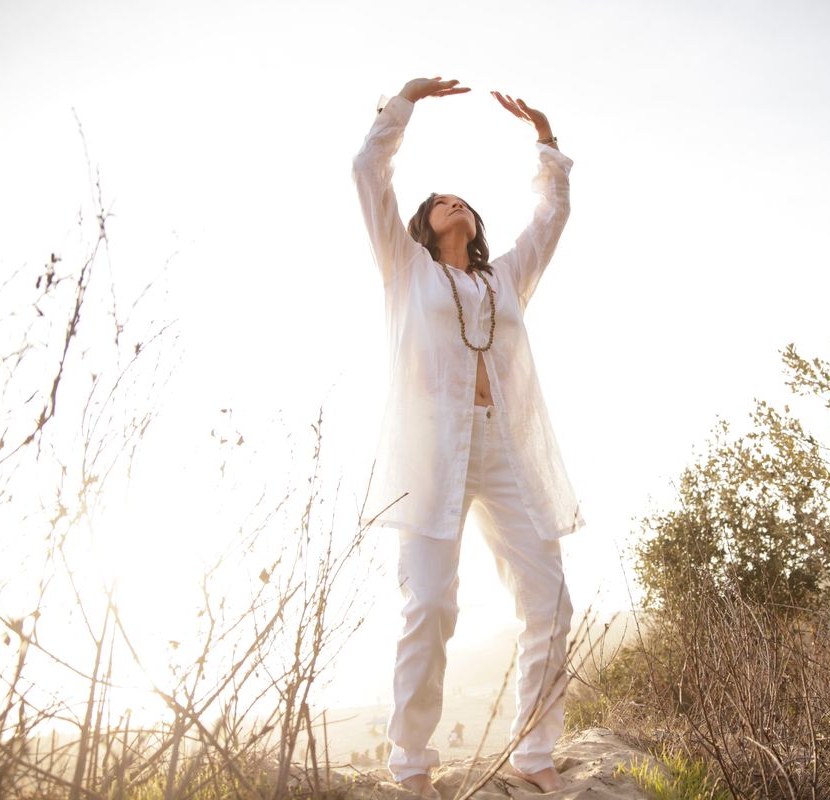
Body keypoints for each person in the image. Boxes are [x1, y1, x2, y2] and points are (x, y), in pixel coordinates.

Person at [351, 76, 585, 799]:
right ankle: (412, 764)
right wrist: (406, 102)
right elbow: (368, 172)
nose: (455, 200)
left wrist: (545, 140)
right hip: (431, 453)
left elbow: (552, 217)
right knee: (430, 602)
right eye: (439, 199)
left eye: (463, 199)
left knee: (549, 599)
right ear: (424, 223)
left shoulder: (506, 280)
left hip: (504, 448)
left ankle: (533, 748)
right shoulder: (406, 269)